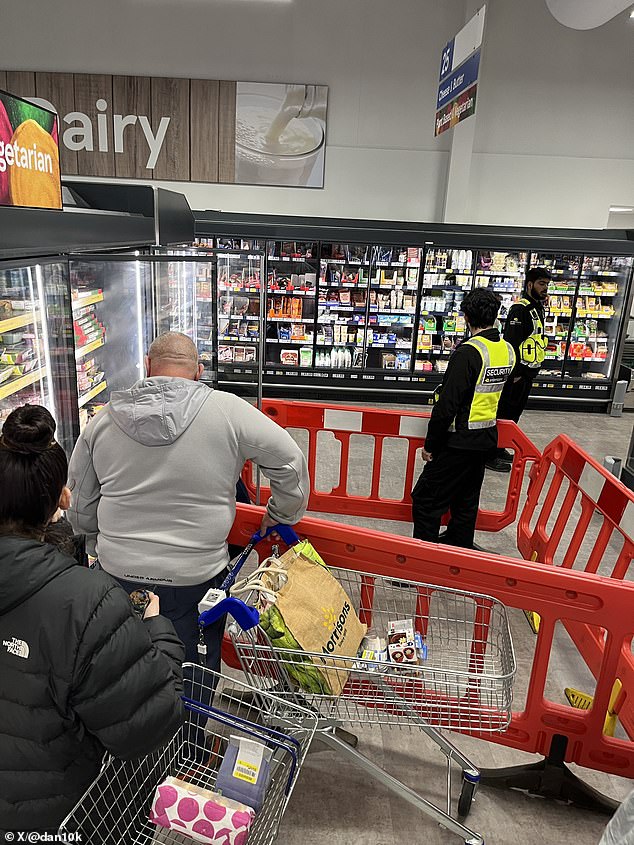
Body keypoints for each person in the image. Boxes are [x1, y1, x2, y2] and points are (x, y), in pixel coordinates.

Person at [67, 331, 309, 669]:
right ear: (199, 370)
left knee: (120, 669)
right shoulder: (228, 411)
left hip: (117, 574)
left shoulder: (103, 421)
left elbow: (79, 502)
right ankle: (190, 719)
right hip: (196, 578)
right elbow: (290, 461)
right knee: (191, 669)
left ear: (148, 366)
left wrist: (97, 542)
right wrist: (281, 513)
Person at [0, 404, 185, 834]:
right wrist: (157, 628)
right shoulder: (87, 601)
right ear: (63, 498)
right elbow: (149, 722)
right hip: (56, 820)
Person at [411, 288, 515, 548]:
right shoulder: (506, 351)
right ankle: (460, 547)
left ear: (466, 317)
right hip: (485, 438)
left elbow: (447, 406)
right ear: (495, 315)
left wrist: (430, 445)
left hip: (458, 441)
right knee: (466, 500)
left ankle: (422, 563)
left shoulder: (468, 353)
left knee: (426, 499)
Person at [486, 267, 551, 472]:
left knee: (513, 415)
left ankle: (500, 447)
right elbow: (512, 343)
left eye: (547, 284)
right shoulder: (519, 309)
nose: (545, 288)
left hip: (528, 373)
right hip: (517, 374)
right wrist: (513, 374)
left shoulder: (537, 307)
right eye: (541, 284)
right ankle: (489, 454)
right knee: (504, 413)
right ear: (530, 284)